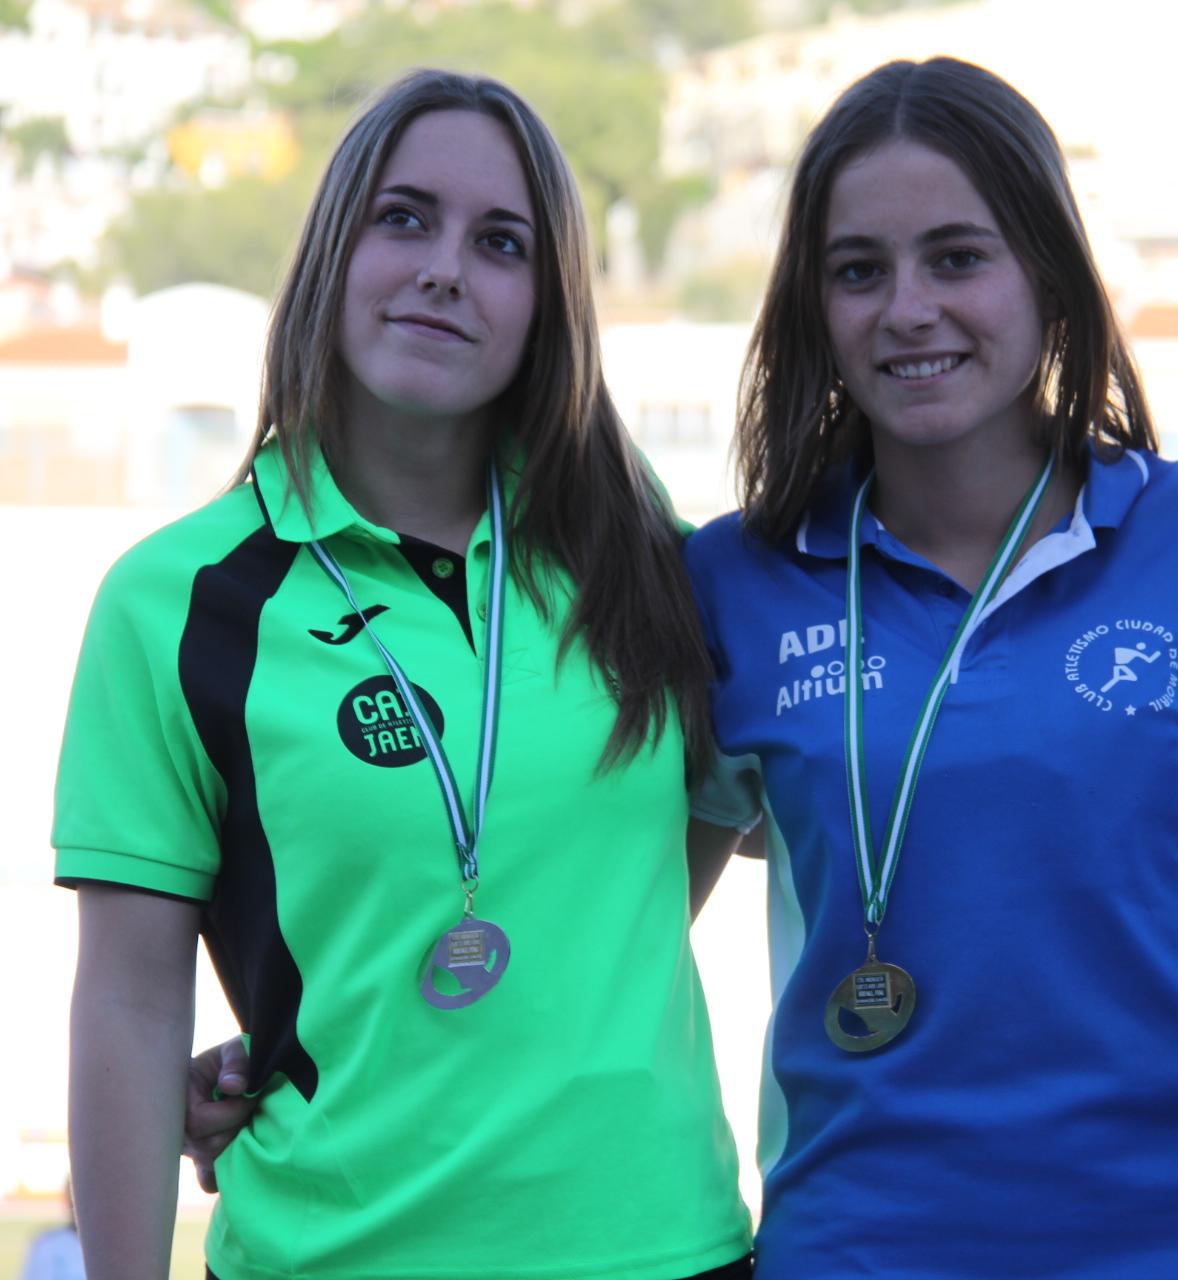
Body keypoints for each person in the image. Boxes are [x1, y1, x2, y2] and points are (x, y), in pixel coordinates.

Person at [53, 70, 752, 1280]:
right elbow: (126, 999)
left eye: (501, 243)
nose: (444, 269)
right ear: (333, 252)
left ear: (548, 303)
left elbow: (693, 820)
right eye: (403, 218)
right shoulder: (176, 602)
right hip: (327, 1253)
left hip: (661, 1247)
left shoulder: (634, 549)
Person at [674, 57, 1178, 1278]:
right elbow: (622, 931)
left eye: (958, 257)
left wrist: (1130, 973)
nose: (908, 308)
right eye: (858, 270)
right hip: (856, 1250)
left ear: (1049, 273)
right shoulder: (734, 580)